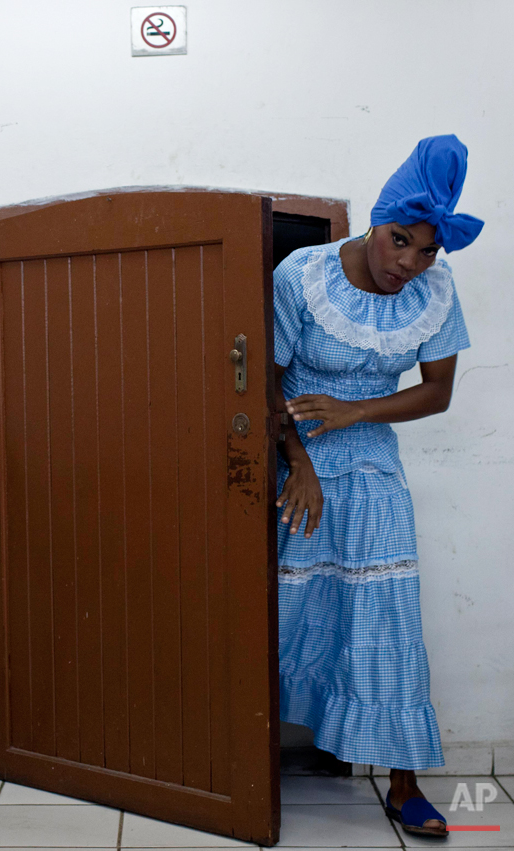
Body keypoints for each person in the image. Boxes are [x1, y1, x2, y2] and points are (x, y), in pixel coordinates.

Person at [273, 135, 484, 839]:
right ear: (377, 219)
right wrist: (299, 462)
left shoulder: (431, 293)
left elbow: (438, 393)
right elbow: (261, 382)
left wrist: (355, 412)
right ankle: (243, 760)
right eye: (400, 241)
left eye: (426, 251)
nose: (407, 263)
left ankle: (403, 781)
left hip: (373, 474)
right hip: (294, 463)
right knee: (280, 607)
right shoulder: (300, 275)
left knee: (387, 620)